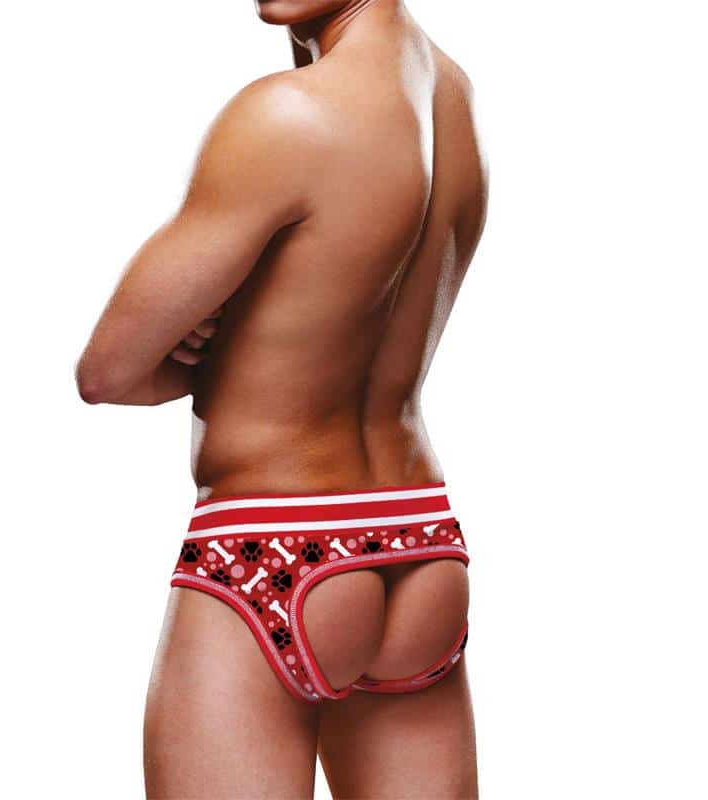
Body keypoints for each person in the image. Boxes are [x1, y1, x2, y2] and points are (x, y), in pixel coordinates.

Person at [76, 0, 487, 796]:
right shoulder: (456, 100)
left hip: (269, 540)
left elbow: (109, 372)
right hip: (419, 541)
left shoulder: (285, 115)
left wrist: (209, 340)